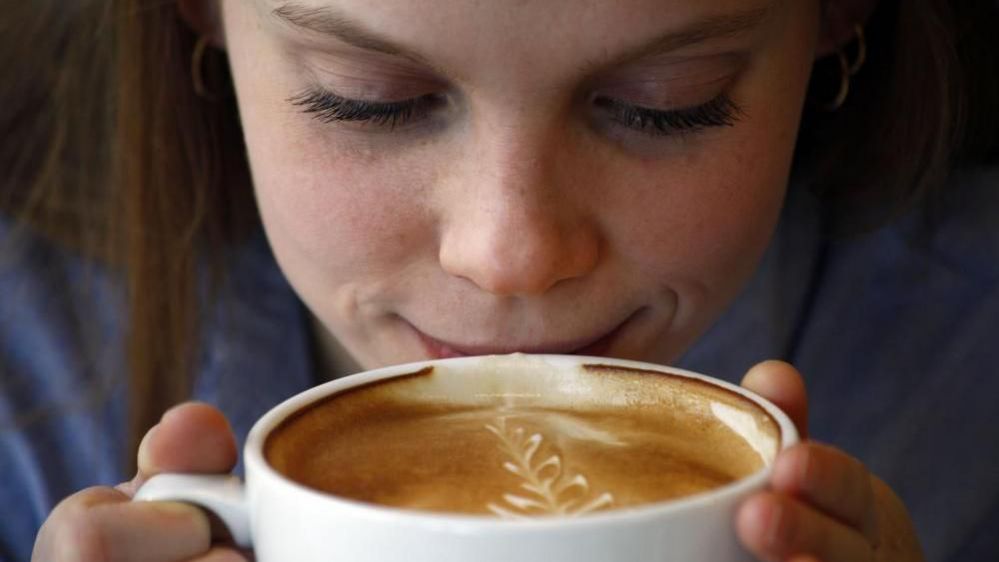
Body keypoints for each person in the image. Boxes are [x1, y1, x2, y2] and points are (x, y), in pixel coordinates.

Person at [2, 0, 997, 560]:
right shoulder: (23, 400)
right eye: (372, 102)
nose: (508, 252)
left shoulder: (972, 377)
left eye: (663, 106)